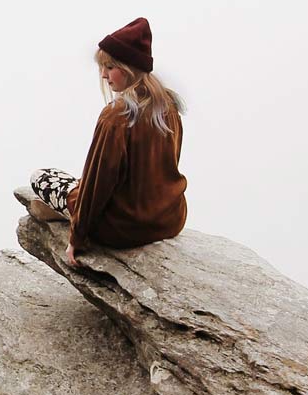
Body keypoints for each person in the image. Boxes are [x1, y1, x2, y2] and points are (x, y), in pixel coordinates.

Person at [13, 17, 187, 268]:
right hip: (168, 220)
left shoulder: (116, 117)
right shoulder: (168, 107)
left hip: (121, 229)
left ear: (129, 67)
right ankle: (66, 209)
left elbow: (99, 183)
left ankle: (65, 213)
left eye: (110, 67)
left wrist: (77, 237)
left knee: (43, 177)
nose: (104, 75)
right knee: (81, 186)